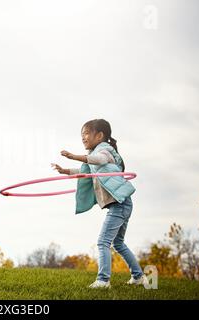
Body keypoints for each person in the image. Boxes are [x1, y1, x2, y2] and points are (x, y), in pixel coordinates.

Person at [52, 119, 147, 288]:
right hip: (122, 204)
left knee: (103, 242)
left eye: (87, 133)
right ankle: (138, 277)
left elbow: (99, 160)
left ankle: (103, 280)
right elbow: (85, 172)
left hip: (120, 204)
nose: (83, 137)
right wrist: (65, 170)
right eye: (82, 135)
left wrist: (74, 156)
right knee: (117, 243)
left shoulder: (105, 150)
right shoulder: (95, 155)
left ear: (100, 135)